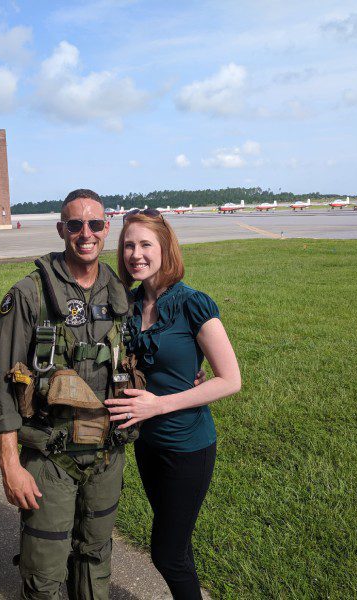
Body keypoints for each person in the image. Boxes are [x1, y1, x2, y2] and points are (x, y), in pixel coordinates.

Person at [0, 189, 137, 600]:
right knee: (44, 575)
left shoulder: (118, 292)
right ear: (61, 230)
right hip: (50, 460)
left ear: (106, 228)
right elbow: (1, 386)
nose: (85, 233)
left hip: (108, 456)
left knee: (95, 560)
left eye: (94, 224)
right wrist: (10, 465)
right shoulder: (30, 294)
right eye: (75, 225)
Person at [105, 210, 241, 600]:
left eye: (146, 244)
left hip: (187, 447)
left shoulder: (192, 304)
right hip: (148, 445)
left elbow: (230, 380)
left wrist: (158, 406)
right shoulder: (127, 306)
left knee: (166, 554)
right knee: (178, 548)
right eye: (129, 245)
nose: (136, 254)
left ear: (165, 248)